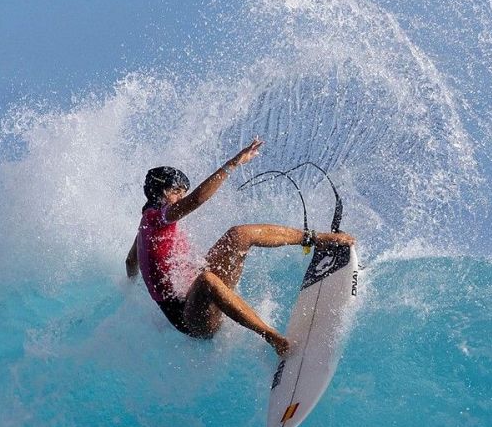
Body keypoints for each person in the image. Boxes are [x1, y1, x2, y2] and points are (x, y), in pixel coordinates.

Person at [125, 138, 355, 358]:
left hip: (197, 294)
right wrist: (232, 163)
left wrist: (129, 286)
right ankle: (274, 338)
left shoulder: (146, 225)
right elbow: (195, 201)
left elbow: (130, 261)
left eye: (183, 193)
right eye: (177, 192)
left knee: (239, 234)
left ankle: (316, 238)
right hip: (191, 319)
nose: (181, 197)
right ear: (162, 193)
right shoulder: (156, 218)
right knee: (206, 279)